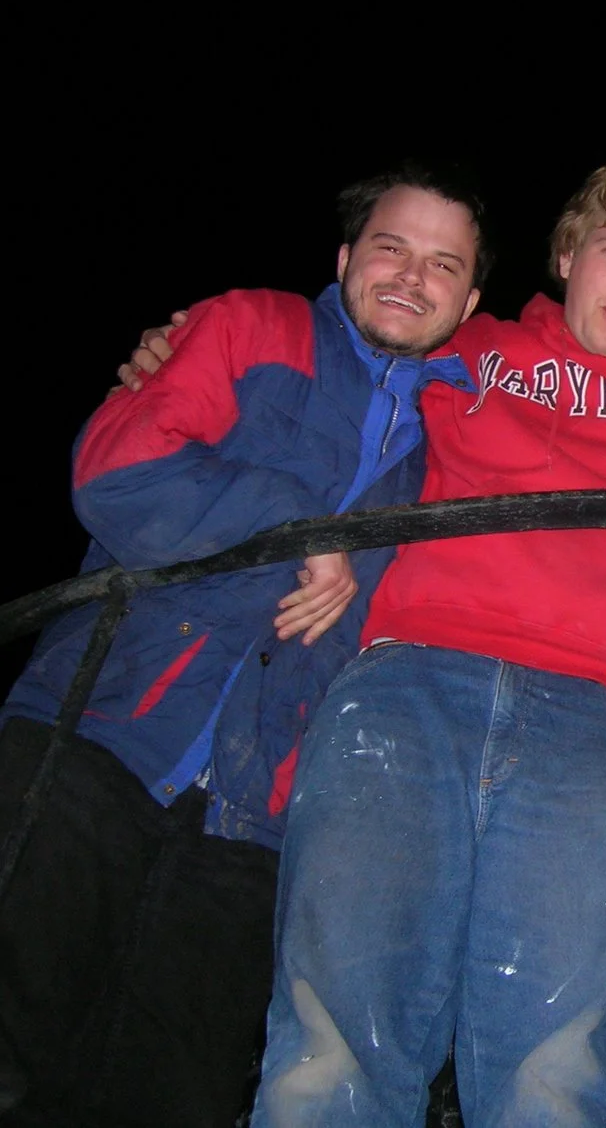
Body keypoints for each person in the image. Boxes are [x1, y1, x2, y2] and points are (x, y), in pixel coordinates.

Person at [250, 159, 606, 1127]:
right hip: (410, 685)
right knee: (333, 1043)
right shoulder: (466, 344)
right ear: (566, 255)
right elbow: (322, 352)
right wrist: (175, 350)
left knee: (554, 1074)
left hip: (601, 722)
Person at [0, 163, 487, 1127]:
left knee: (172, 1093)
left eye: (443, 263)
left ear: (470, 300)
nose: (409, 276)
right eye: (389, 246)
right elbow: (119, 469)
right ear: (346, 255)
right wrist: (304, 530)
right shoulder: (254, 327)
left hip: (260, 815)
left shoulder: (459, 435)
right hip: (94, 733)